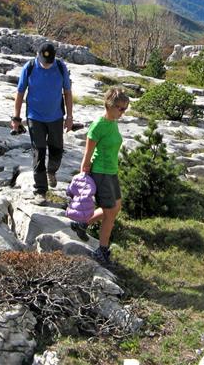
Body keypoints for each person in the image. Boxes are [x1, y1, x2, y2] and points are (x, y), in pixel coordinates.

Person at [71, 87, 130, 266]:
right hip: (101, 172)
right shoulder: (99, 125)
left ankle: (83, 223)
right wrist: (84, 173)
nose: (123, 112)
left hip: (112, 171)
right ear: (109, 105)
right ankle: (102, 251)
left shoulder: (113, 122)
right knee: (110, 213)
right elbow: (88, 153)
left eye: (125, 109)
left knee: (115, 207)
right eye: (120, 108)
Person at [11, 42, 73, 204]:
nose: (47, 65)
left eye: (49, 62)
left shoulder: (60, 67)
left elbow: (67, 92)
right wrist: (16, 118)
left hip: (56, 117)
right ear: (38, 56)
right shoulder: (29, 67)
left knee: (57, 151)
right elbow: (20, 92)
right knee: (38, 152)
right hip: (34, 117)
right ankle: (40, 190)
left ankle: (51, 171)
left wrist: (70, 117)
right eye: (44, 62)